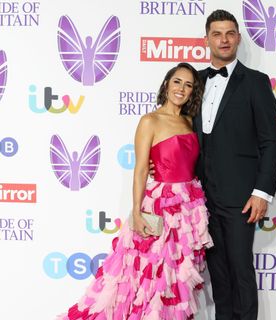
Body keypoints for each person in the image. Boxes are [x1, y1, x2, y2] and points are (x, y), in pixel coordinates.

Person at [55, 62, 213, 320]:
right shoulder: (150, 120)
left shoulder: (189, 121)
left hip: (187, 211)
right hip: (159, 207)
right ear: (166, 84)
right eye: (177, 82)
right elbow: (141, 169)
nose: (181, 89)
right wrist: (137, 213)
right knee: (146, 277)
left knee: (174, 279)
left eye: (188, 85)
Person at [193, 10, 276, 320]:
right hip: (200, 198)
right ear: (206, 39)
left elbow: (270, 141)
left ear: (239, 38)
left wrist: (262, 192)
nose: (224, 39)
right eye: (217, 34)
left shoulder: (255, 82)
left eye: (230, 33)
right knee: (218, 276)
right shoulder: (195, 81)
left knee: (241, 271)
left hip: (241, 197)